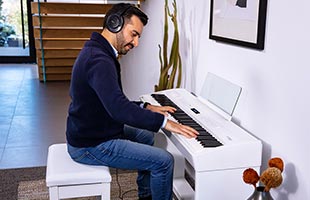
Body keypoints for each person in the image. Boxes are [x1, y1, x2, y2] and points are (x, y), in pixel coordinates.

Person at [66, 3, 198, 200]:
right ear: (115, 23)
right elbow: (118, 109)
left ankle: (145, 196)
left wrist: (147, 107)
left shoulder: (99, 52)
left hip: (94, 129)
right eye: (133, 34)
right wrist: (165, 123)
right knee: (164, 161)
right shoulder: (99, 60)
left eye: (138, 37)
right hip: (90, 145)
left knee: (145, 136)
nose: (135, 43)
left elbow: (112, 101)